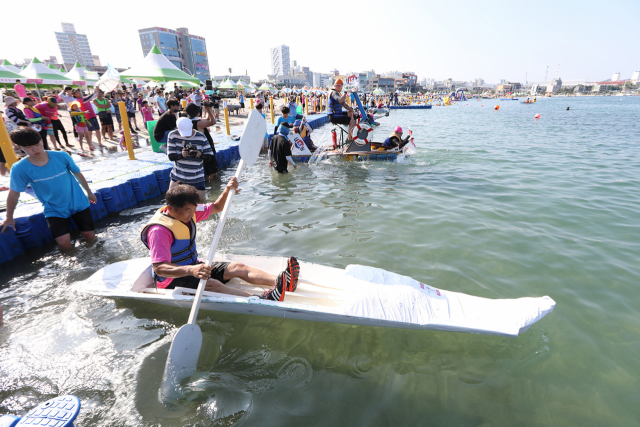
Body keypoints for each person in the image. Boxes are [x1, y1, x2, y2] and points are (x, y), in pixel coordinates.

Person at [140, 183, 299, 300]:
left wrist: (228, 190)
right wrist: (191, 270)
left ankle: (283, 282)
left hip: (195, 266)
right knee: (213, 284)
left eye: (193, 209)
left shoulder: (190, 211)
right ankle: (262, 299)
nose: (192, 214)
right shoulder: (159, 231)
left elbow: (217, 206)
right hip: (171, 279)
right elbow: (159, 268)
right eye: (188, 210)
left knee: (238, 267)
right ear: (170, 208)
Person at [0, 127, 97, 250]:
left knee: (89, 236)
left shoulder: (61, 156)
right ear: (20, 147)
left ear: (41, 140)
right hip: (53, 208)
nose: (35, 149)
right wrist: (9, 216)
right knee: (64, 244)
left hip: (78, 202)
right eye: (29, 147)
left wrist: (89, 192)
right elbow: (14, 193)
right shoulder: (19, 168)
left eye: (37, 144)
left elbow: (77, 174)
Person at [167, 117, 213, 201]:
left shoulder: (201, 137)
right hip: (178, 177)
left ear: (192, 126)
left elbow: (210, 157)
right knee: (172, 204)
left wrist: (200, 155)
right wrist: (181, 155)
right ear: (177, 128)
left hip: (197, 179)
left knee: (199, 206)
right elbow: (171, 156)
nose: (187, 136)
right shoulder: (173, 135)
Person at [185, 103, 218, 179]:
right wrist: (209, 109)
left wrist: (207, 109)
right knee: (211, 172)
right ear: (198, 113)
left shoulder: (191, 121)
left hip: (199, 148)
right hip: (205, 149)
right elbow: (213, 122)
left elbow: (207, 119)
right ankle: (212, 185)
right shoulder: (198, 123)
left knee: (211, 170)